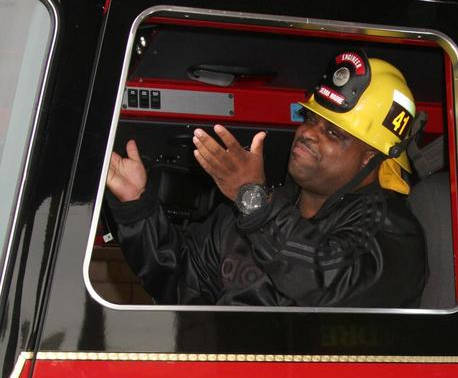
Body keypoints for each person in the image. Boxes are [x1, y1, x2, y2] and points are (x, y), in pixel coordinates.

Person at [106, 49, 427, 307]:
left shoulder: (392, 231)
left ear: (370, 157)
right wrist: (137, 206)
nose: (307, 134)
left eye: (332, 132)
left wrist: (254, 201)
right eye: (310, 119)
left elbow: (331, 285)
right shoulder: (250, 213)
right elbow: (178, 282)